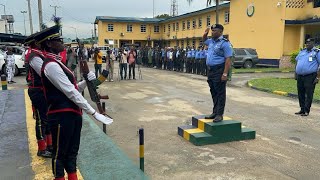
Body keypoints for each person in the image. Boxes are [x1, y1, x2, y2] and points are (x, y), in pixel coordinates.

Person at [35, 24, 112, 180]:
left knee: (72, 154)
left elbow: (74, 87)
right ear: (49, 44)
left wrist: (87, 80)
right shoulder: (50, 65)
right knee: (60, 155)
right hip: (61, 116)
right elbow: (70, 92)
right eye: (57, 39)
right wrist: (93, 112)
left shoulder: (58, 63)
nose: (62, 41)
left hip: (73, 115)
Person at [25, 33, 53, 158]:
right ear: (36, 43)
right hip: (37, 91)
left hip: (41, 90)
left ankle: (49, 145)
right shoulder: (34, 56)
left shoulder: (38, 54)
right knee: (42, 120)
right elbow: (44, 73)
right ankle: (42, 148)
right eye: (44, 41)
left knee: (46, 118)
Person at [203, 24, 233, 122]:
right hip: (211, 70)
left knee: (220, 93)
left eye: (215, 30)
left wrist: (225, 74)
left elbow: (228, 60)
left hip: (219, 70)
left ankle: (220, 114)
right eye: (212, 30)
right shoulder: (211, 42)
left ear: (220, 32)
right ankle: (215, 112)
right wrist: (205, 33)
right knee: (213, 92)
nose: (213, 32)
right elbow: (204, 40)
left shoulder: (225, 44)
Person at [295, 38, 320, 116]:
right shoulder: (302, 52)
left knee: (308, 94)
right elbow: (297, 61)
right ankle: (302, 109)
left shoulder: (317, 52)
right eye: (307, 43)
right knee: (300, 93)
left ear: (313, 44)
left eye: (310, 43)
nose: (308, 44)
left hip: (310, 76)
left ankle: (306, 110)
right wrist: (295, 73)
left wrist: (318, 77)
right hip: (300, 76)